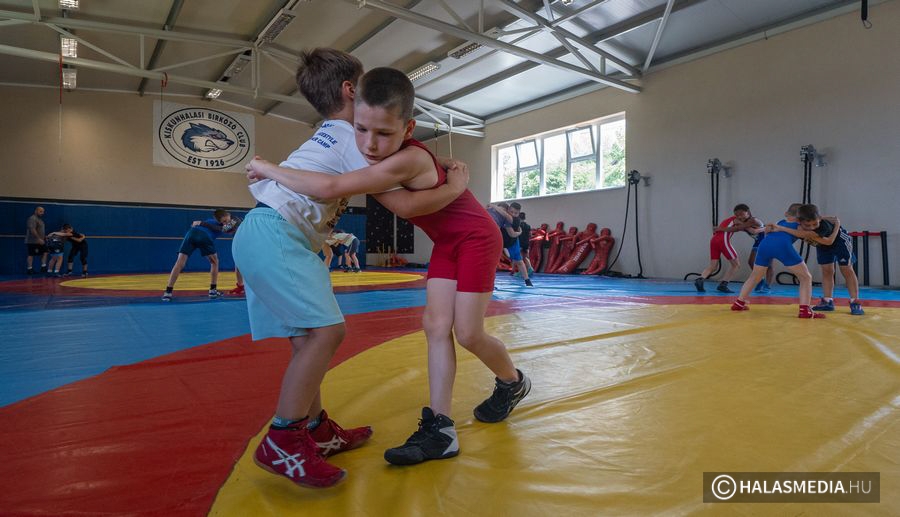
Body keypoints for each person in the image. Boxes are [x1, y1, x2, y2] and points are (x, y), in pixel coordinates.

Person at [246, 65, 531, 468]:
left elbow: (329, 187)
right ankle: (441, 428)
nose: (369, 144)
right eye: (361, 130)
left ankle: (512, 382)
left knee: (468, 333)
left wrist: (265, 167)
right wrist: (450, 175)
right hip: (447, 242)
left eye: (382, 133)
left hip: (477, 238)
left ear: (407, 128)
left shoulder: (402, 160)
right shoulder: (388, 153)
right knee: (435, 326)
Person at [731, 203, 825, 318]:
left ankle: (739, 303)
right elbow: (809, 234)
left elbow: (763, 231)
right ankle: (805, 311)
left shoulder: (779, 222)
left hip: (764, 245)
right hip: (782, 246)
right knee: (806, 277)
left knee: (755, 276)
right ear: (800, 218)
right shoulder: (800, 225)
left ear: (786, 214)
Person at [771, 204, 863, 315]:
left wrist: (837, 226)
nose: (812, 227)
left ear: (819, 219)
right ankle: (827, 301)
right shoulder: (798, 225)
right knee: (827, 270)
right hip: (822, 245)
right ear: (799, 221)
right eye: (808, 225)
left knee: (846, 270)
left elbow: (828, 241)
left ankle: (855, 301)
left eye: (815, 224)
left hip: (839, 242)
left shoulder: (822, 226)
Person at [161, 209, 238, 302]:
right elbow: (222, 229)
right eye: (223, 221)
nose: (225, 223)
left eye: (226, 220)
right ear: (219, 221)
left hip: (191, 233)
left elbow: (223, 228)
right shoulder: (229, 221)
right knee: (214, 262)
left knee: (179, 262)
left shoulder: (232, 220)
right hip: (203, 235)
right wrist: (202, 224)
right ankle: (213, 290)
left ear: (229, 215)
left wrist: (202, 223)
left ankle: (168, 292)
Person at [694, 203, 758, 293]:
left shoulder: (729, 220)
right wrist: (763, 228)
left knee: (713, 266)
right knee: (736, 265)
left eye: (741, 215)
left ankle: (700, 279)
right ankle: (723, 285)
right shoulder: (736, 220)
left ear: (747, 212)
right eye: (738, 215)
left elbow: (740, 228)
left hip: (714, 240)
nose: (739, 217)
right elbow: (752, 230)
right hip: (722, 240)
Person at [488, 202, 533, 287]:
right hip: (502, 241)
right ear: (508, 210)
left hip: (512, 241)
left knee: (519, 261)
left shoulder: (514, 219)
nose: (513, 214)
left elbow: (512, 234)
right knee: (493, 260)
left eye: (515, 213)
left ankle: (527, 280)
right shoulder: (497, 216)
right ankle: (490, 282)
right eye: (511, 212)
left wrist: (493, 205)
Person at [746, 214, 772, 293]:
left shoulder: (754, 220)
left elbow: (754, 231)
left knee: (769, 265)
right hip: (757, 243)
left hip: (767, 243)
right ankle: (761, 279)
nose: (739, 217)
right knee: (751, 262)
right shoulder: (744, 224)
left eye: (741, 214)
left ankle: (767, 286)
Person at [24, 206, 48, 274]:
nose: (42, 213)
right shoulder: (32, 218)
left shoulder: (40, 220)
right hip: (33, 241)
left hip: (40, 240)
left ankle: (43, 267)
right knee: (31, 254)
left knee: (45, 252)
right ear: (36, 211)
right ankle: (29, 269)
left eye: (43, 212)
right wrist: (38, 239)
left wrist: (44, 237)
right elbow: (32, 230)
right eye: (40, 211)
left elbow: (40, 230)